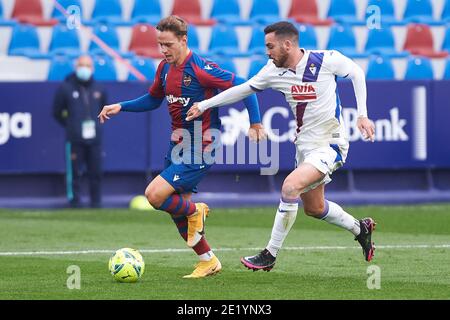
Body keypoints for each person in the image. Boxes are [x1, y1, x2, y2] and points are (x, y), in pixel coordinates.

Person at [186, 21, 377, 271]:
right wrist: (204, 105)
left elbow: (356, 73)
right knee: (315, 208)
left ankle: (270, 254)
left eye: (270, 46)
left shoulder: (325, 60)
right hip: (304, 148)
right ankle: (359, 228)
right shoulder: (272, 71)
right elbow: (243, 89)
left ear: (287, 44)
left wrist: (362, 115)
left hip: (330, 144)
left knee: (289, 187)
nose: (267, 52)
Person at [98, 16, 266, 278]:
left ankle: (197, 211)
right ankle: (208, 261)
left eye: (167, 44)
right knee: (179, 212)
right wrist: (122, 106)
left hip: (202, 145)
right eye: (159, 44)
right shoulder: (164, 69)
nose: (163, 50)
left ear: (183, 40)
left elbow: (246, 87)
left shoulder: (201, 69)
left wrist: (255, 123)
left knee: (155, 195)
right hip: (177, 144)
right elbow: (153, 99)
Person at [53, 55, 106, 209]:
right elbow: (57, 112)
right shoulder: (66, 88)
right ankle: (74, 202)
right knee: (75, 173)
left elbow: (104, 108)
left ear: (93, 68)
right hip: (75, 138)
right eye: (81, 65)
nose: (84, 68)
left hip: (94, 138)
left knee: (95, 172)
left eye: (87, 65)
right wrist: (71, 125)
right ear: (76, 68)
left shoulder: (99, 88)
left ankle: (96, 202)